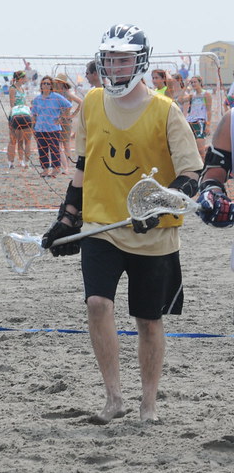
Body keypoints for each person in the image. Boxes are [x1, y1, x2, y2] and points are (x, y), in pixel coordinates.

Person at [41, 24, 202, 424]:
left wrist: (156, 204)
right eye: (109, 59)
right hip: (102, 227)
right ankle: (114, 398)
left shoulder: (166, 111)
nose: (114, 66)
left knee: (148, 320)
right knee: (97, 304)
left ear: (140, 62)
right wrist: (67, 218)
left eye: (122, 58)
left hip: (155, 237)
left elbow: (190, 178)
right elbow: (82, 166)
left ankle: (148, 406)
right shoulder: (92, 103)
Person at [31, 76, 73, 178]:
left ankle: (56, 169)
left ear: (51, 86)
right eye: (44, 83)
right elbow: (34, 114)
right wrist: (33, 128)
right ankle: (45, 169)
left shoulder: (56, 97)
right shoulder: (37, 99)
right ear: (41, 85)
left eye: (48, 83)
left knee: (55, 150)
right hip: (40, 129)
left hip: (53, 129)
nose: (45, 85)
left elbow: (68, 106)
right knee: (42, 150)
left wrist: (61, 118)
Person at [51, 73, 83, 161]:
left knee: (66, 143)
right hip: (56, 120)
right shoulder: (54, 92)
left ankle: (67, 163)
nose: (57, 83)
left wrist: (72, 115)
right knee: (58, 143)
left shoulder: (67, 93)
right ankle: (62, 162)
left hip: (65, 121)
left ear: (62, 83)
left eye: (59, 81)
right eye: (56, 81)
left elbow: (81, 102)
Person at [7, 71, 33, 168]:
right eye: (24, 78)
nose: (26, 80)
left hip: (24, 114)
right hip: (16, 115)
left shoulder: (22, 88)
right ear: (20, 78)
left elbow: (24, 102)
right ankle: (11, 162)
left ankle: (24, 161)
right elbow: (12, 104)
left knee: (24, 140)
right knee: (13, 140)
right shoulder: (12, 89)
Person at [183, 75, 212, 160]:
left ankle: (203, 169)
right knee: (192, 149)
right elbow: (180, 100)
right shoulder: (192, 95)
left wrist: (208, 125)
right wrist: (185, 86)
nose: (193, 84)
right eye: (191, 82)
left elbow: (209, 111)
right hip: (189, 121)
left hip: (200, 122)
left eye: (195, 82)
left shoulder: (206, 94)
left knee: (201, 151)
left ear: (200, 82)